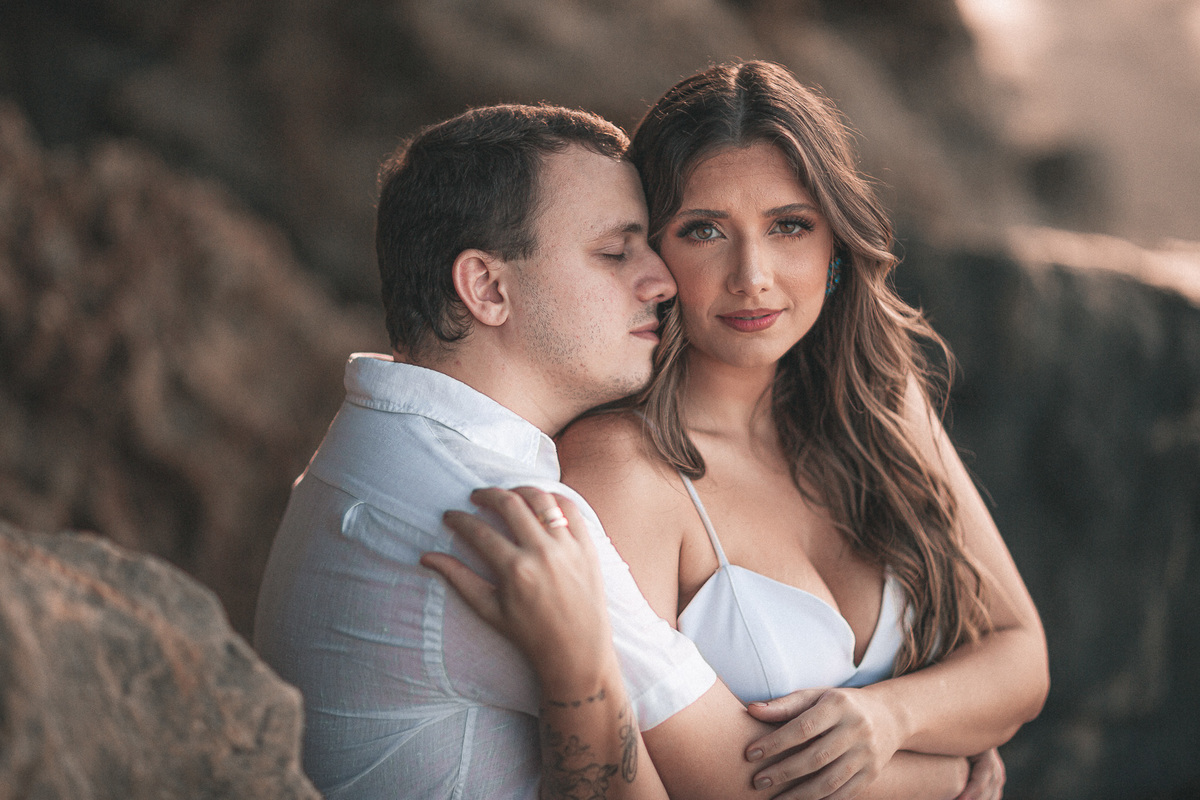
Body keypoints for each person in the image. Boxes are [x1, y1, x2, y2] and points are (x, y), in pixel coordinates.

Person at [432, 62, 1047, 799]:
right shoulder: (622, 471)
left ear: (836, 247)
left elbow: (1021, 659)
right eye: (704, 231)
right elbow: (686, 786)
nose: (752, 275)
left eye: (789, 225)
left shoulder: (882, 405)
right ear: (653, 257)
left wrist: (890, 718)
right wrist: (946, 773)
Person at [255, 101, 876, 800]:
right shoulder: (498, 516)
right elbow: (756, 783)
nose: (663, 281)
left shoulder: (383, 443)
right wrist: (950, 768)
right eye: (616, 251)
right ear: (488, 288)